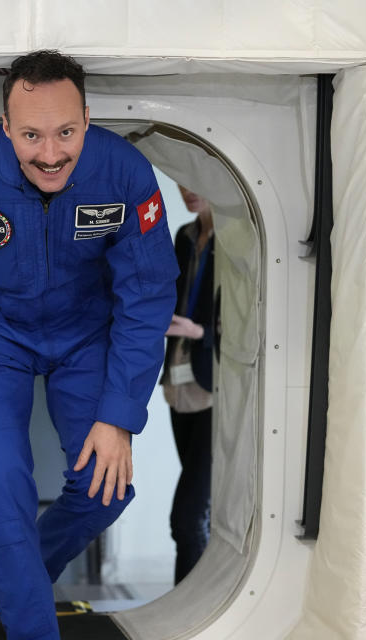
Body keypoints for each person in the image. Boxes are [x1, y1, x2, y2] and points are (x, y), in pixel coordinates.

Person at [0, 50, 179, 639]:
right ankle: (30, 623)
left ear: (87, 118)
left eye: (66, 132)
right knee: (2, 484)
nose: (50, 154)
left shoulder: (125, 172)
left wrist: (119, 414)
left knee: (107, 490)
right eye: (31, 135)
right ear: (5, 127)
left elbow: (147, 293)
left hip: (85, 333)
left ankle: (20, 579)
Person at [161, 185, 217, 584]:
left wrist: (201, 331)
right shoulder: (184, 235)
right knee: (198, 511)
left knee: (187, 516)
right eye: (181, 184)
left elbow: (252, 308)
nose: (188, 192)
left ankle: (191, 607)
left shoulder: (237, 239)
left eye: (195, 183)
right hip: (179, 382)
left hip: (215, 387)